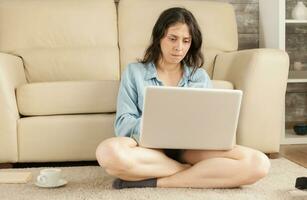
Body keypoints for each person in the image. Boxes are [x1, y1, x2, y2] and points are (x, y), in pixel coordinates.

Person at [96, 7, 270, 189]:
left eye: (186, 41)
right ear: (159, 38)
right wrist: (154, 125)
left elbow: (212, 122)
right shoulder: (134, 72)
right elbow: (123, 123)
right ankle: (194, 171)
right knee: (108, 152)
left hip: (192, 150)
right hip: (149, 150)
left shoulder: (199, 77)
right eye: (172, 39)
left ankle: (158, 181)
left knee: (258, 163)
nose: (179, 47)